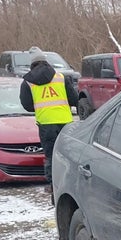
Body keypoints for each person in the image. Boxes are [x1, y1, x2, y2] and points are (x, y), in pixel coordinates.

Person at [19, 50, 78, 194]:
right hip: (66, 122)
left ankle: (54, 186)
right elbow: (74, 99)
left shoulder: (28, 82)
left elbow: (27, 105)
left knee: (51, 155)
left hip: (46, 124)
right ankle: (72, 182)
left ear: (32, 64)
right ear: (47, 62)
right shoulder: (61, 77)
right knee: (69, 154)